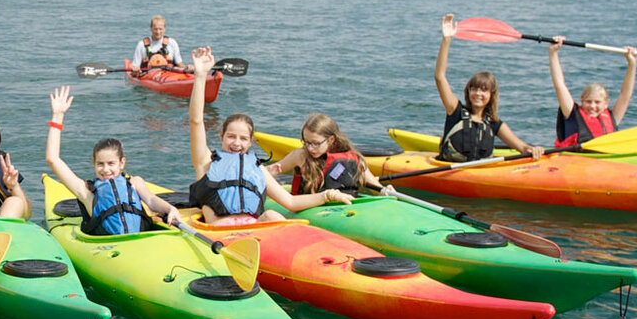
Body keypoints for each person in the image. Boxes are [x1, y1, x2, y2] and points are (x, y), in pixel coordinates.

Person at [186, 47, 351, 226]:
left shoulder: (257, 169)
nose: (236, 143)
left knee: (272, 214)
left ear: (250, 142)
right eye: (231, 136)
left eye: (243, 138)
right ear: (221, 136)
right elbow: (196, 121)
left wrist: (327, 195)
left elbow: (291, 203)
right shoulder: (205, 162)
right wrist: (201, 75)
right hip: (218, 233)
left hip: (258, 230)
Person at [44, 85, 185, 236]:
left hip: (142, 241)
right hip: (110, 246)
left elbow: (151, 200)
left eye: (111, 163)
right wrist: (57, 116)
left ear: (122, 162)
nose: (105, 169)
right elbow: (53, 159)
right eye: (100, 164)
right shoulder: (86, 192)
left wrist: (171, 209)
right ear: (94, 164)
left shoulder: (134, 183)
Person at [433, 14, 547, 162]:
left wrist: (535, 149)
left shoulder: (493, 123)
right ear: (468, 92)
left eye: (484, 90)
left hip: (480, 174)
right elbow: (439, 77)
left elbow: (523, 147)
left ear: (491, 95)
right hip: (450, 173)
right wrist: (446, 40)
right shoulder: (455, 112)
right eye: (474, 89)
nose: (478, 94)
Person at [264, 113, 395, 197]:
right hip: (307, 206)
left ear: (331, 140)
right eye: (306, 142)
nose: (310, 148)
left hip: (344, 206)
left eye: (315, 143)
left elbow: (374, 185)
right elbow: (273, 170)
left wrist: (385, 191)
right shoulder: (301, 155)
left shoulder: (351, 157)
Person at [550, 39, 637, 148]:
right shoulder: (572, 114)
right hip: (577, 160)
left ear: (606, 104)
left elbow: (626, 94)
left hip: (605, 160)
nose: (592, 106)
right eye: (588, 101)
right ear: (581, 101)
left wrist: (632, 64)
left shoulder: (612, 117)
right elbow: (559, 85)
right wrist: (553, 53)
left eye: (597, 102)